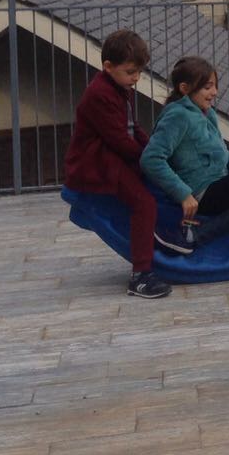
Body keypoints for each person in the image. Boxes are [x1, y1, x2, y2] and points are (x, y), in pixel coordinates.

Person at [140, 56, 229, 263]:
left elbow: (220, 154)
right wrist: (183, 194)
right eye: (207, 87)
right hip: (202, 193)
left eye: (215, 86)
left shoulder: (204, 113)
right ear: (185, 88)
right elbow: (151, 159)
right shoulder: (177, 117)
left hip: (219, 179)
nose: (215, 92)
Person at [63, 29, 172, 299]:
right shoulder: (100, 94)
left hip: (115, 155)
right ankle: (141, 275)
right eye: (131, 72)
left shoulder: (120, 88)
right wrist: (148, 159)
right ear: (108, 66)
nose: (136, 78)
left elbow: (134, 127)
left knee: (156, 189)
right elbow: (119, 140)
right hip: (100, 161)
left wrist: (154, 150)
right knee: (143, 202)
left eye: (139, 72)